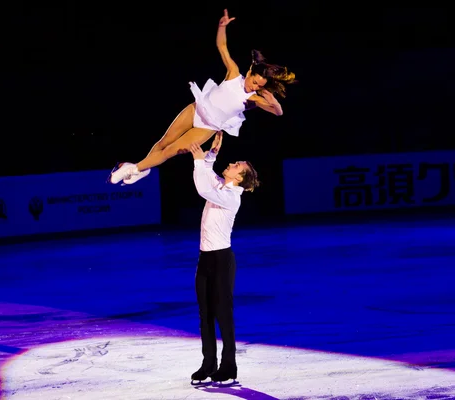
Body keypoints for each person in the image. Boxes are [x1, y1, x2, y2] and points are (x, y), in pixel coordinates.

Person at [109, 9, 295, 185]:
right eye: (254, 82)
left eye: (259, 86)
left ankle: (133, 169)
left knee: (169, 151)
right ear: (249, 72)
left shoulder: (253, 99)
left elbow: (278, 113)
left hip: (208, 126)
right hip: (197, 108)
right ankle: (142, 169)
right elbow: (221, 46)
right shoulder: (233, 73)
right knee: (164, 141)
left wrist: (274, 102)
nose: (254, 87)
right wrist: (222, 27)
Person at [188, 131, 259, 385]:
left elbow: (203, 188)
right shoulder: (221, 185)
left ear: (240, 178)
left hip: (221, 261)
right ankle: (209, 363)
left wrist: (199, 161)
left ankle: (229, 366)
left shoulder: (230, 197)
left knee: (223, 313)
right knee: (205, 313)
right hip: (205, 259)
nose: (232, 163)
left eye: (236, 165)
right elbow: (209, 178)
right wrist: (211, 155)